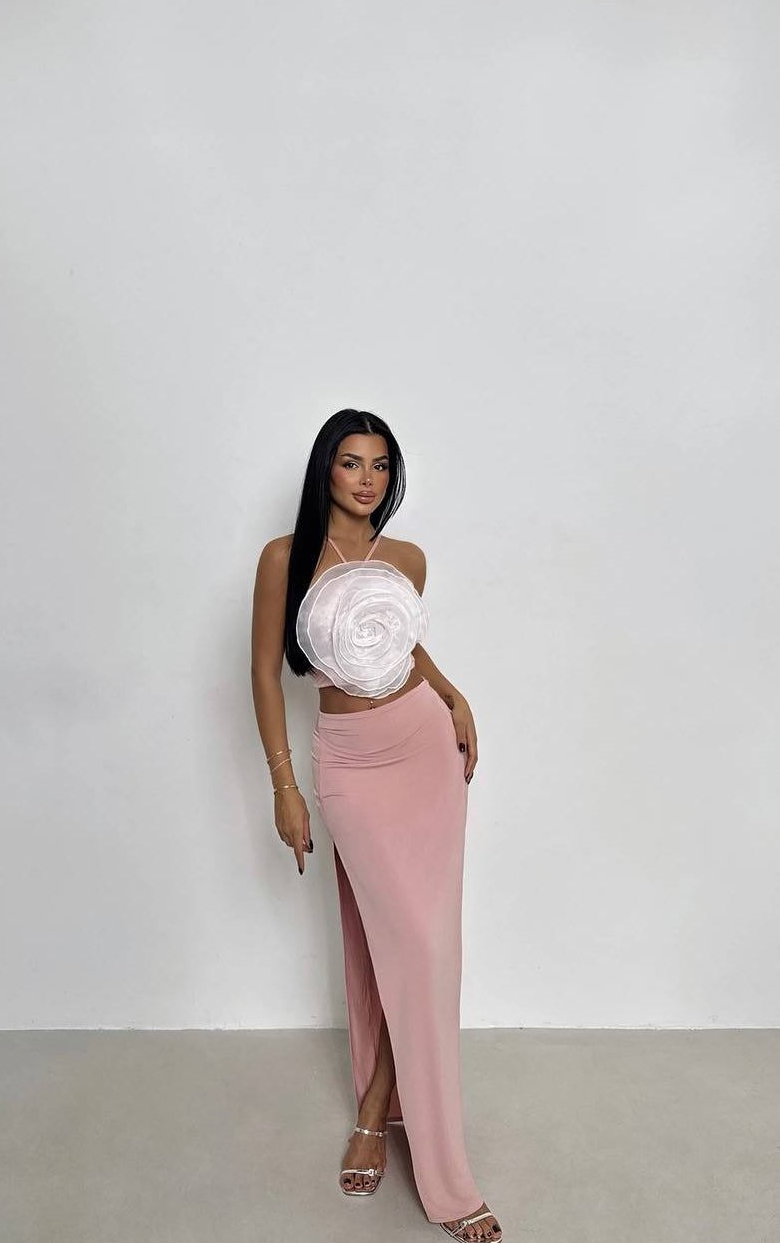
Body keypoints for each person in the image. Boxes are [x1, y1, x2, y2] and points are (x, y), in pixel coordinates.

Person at [250, 409, 502, 1242]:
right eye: (352, 462)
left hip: (425, 747)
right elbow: (263, 674)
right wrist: (284, 787)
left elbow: (402, 647)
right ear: (325, 469)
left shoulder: (407, 558)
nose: (367, 479)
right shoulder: (283, 558)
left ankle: (401, 1132)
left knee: (424, 947)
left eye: (381, 465)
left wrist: (454, 695)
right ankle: (378, 1107)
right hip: (350, 764)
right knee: (394, 941)